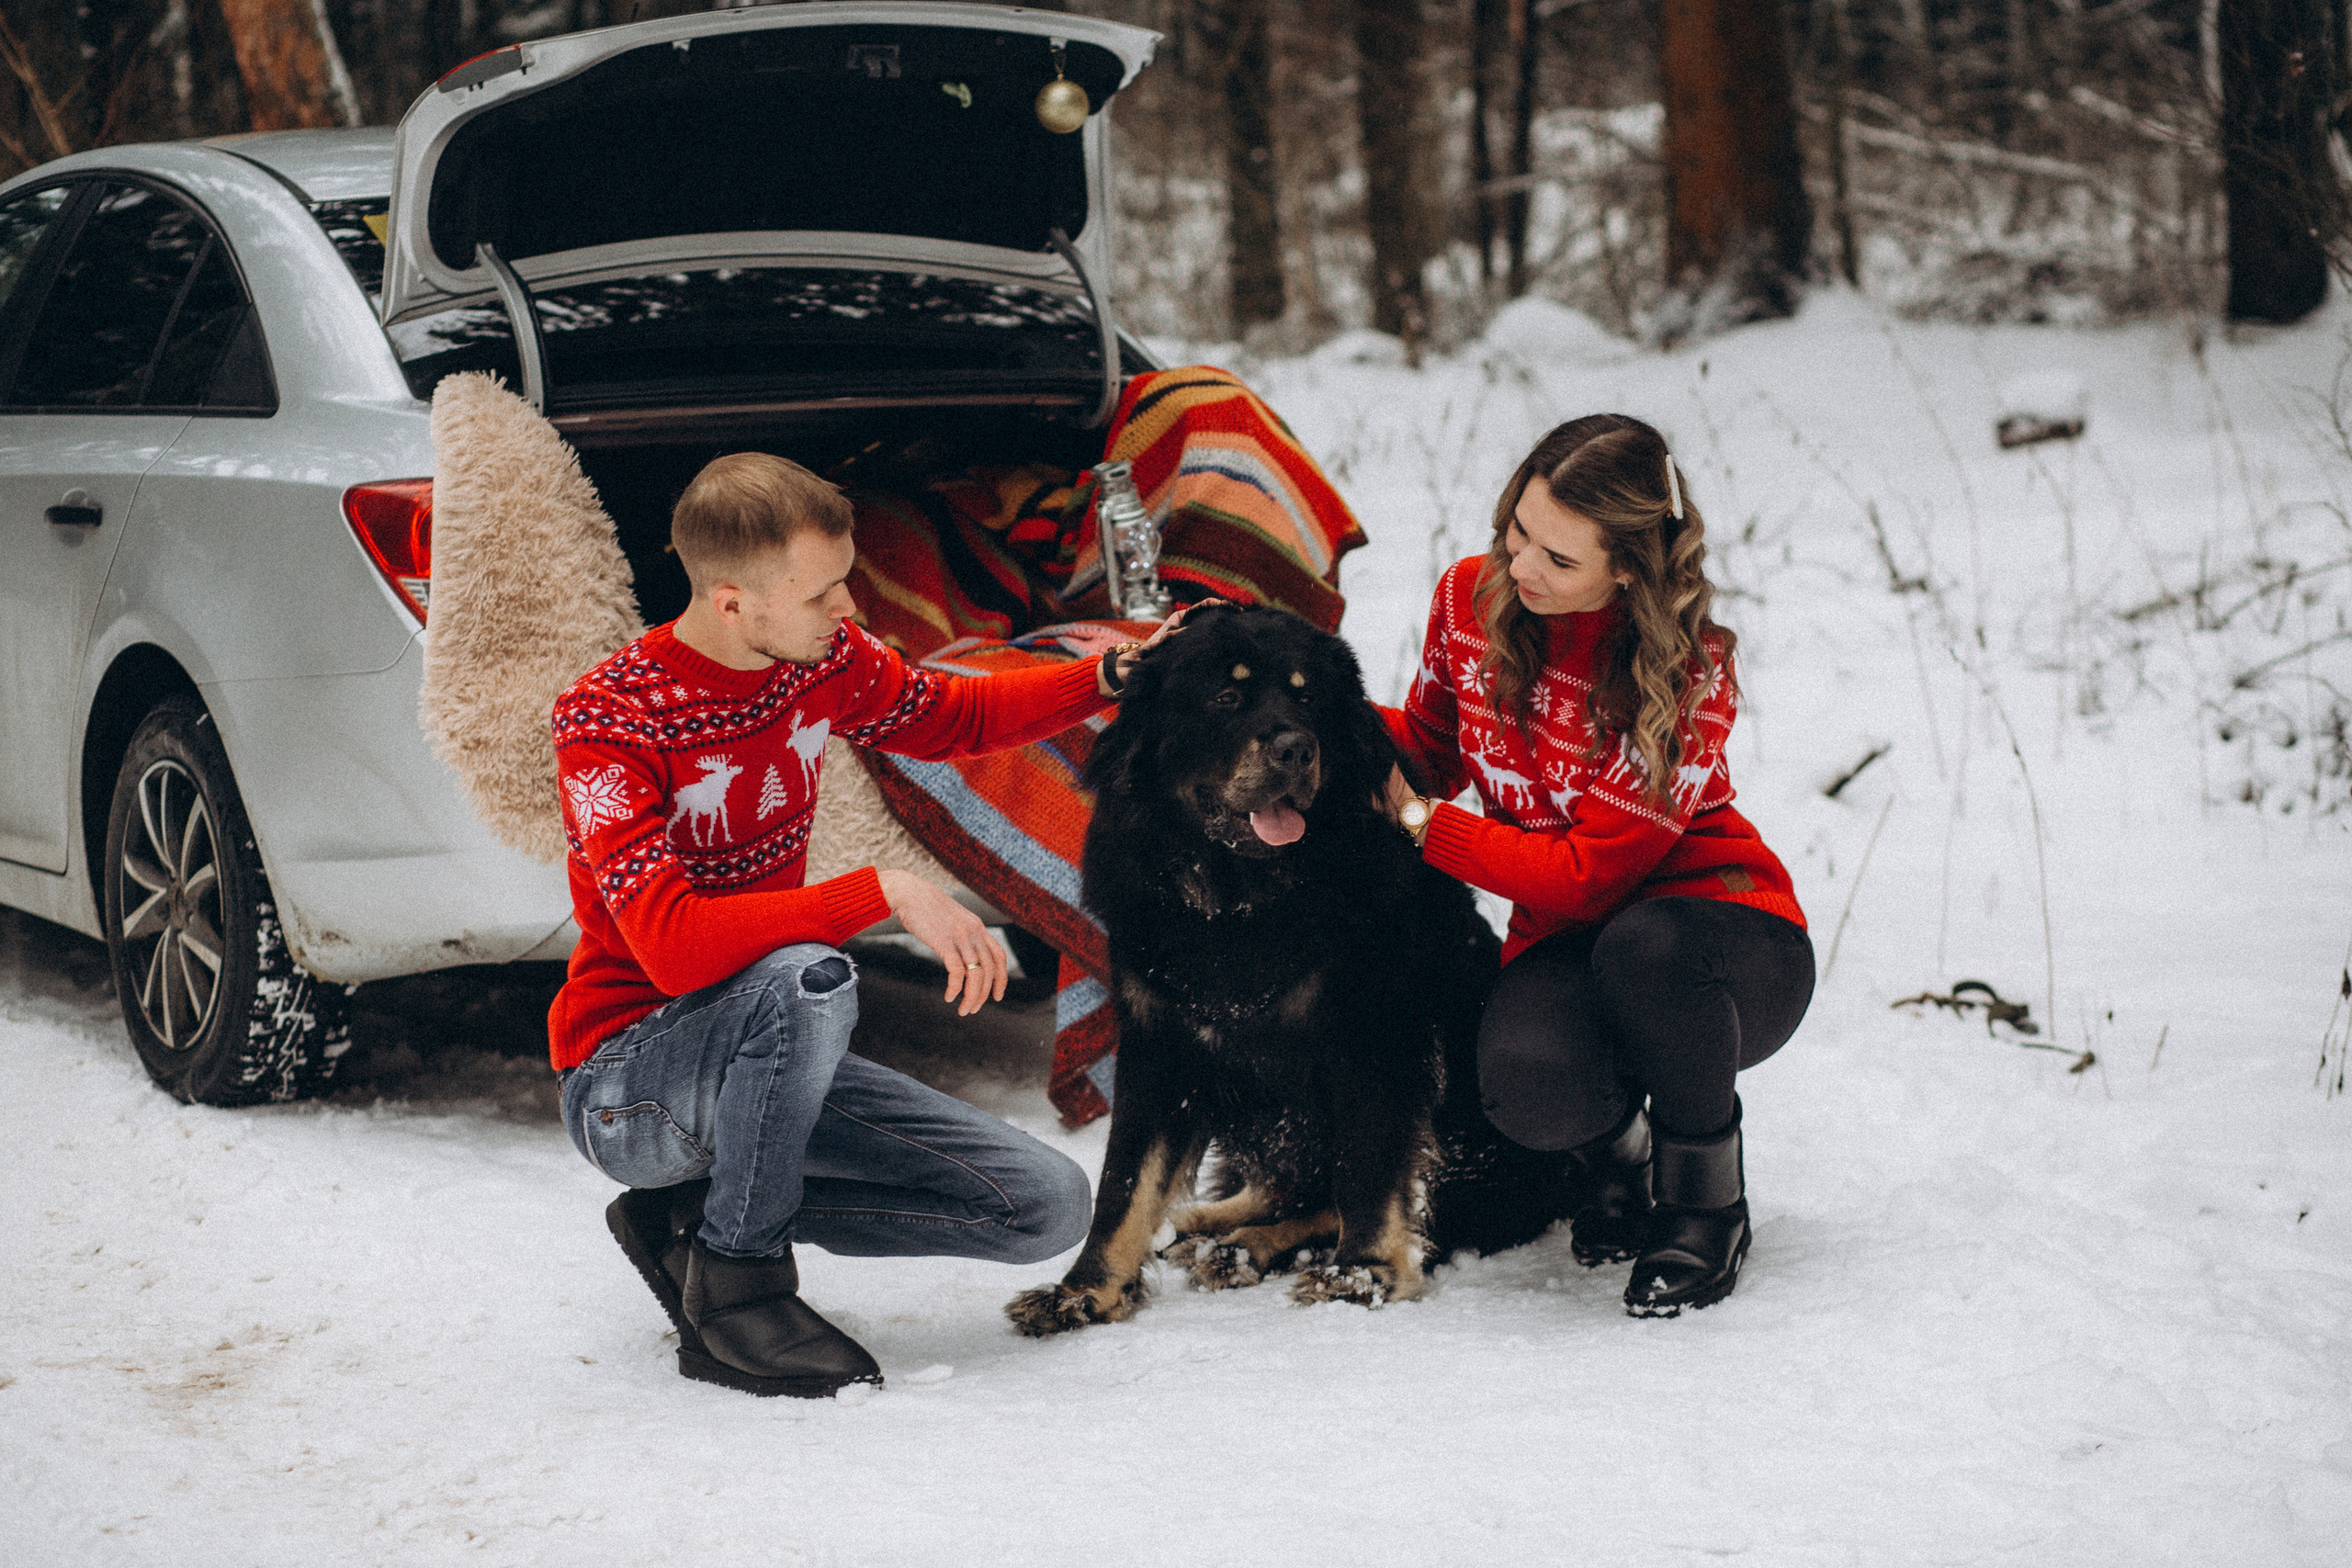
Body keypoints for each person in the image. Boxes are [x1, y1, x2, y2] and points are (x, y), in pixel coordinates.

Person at [548, 452, 1189, 1397]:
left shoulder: (819, 661)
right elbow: (671, 947)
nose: (849, 609)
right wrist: (876, 890)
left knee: (1043, 1208)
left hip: (771, 1052)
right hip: (629, 1081)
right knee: (808, 973)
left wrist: (1110, 675)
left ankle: (686, 1221)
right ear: (731, 604)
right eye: (821, 593)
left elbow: (947, 714)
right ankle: (736, 1282)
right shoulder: (607, 720)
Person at [1380, 414, 1814, 1317]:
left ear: (1628, 568)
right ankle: (1622, 1164)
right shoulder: (1471, 600)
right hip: (1575, 940)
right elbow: (1426, 744)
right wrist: (1301, 710)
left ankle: (1704, 1202)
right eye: (1516, 531)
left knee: (1644, 946)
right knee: (1522, 1085)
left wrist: (1422, 826)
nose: (1521, 568)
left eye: (1557, 559)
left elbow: (1588, 877)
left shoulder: (1685, 672)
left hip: (1727, 946)